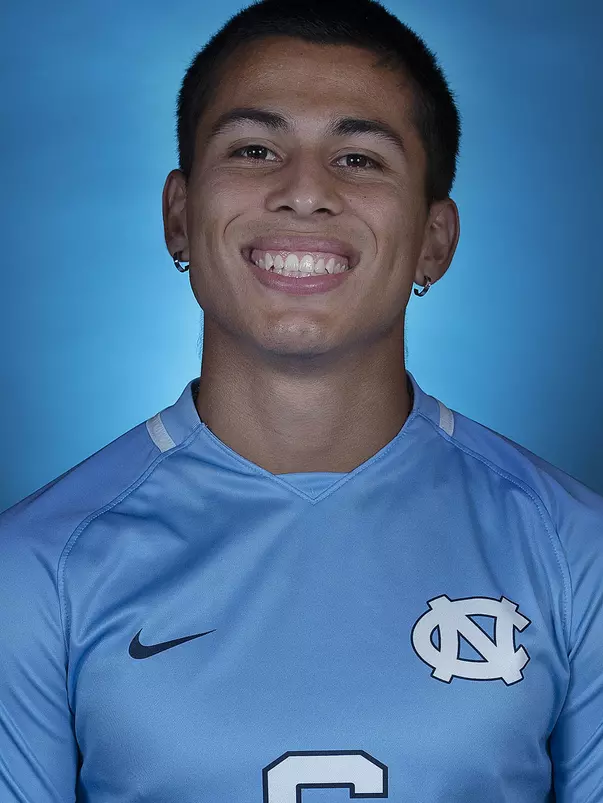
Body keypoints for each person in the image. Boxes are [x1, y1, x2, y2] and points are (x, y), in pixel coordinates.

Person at [1, 0, 602, 799]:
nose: (303, 192)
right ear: (179, 217)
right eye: (254, 149)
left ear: (435, 238)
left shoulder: (575, 554)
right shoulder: (38, 569)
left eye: (358, 158)